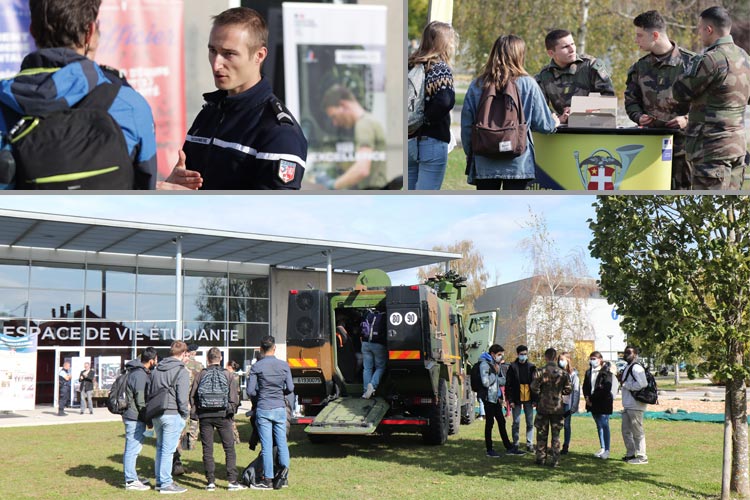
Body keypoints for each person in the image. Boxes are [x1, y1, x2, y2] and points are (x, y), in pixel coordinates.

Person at [0, 0, 157, 189]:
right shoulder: (131, 106)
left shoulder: (4, 102)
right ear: (90, 32)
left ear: (32, 30)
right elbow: (146, 190)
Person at [166, 7, 307, 190]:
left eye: (229, 54)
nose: (216, 64)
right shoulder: (210, 113)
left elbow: (273, 213)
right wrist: (172, 186)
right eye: (212, 50)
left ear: (259, 55)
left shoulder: (279, 132)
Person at [461, 35, 559, 190]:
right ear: (519, 55)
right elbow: (544, 125)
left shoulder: (477, 85)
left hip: (484, 161)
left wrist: (471, 152)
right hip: (517, 163)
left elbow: (467, 126)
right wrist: (555, 121)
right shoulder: (528, 84)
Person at [673, 6, 750, 190]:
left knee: (705, 207)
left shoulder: (711, 59)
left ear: (709, 29)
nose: (698, 33)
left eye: (699, 28)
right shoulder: (745, 57)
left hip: (711, 151)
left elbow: (680, 92)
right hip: (736, 147)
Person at [624, 10, 696, 190]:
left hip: (685, 149)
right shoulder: (639, 68)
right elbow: (631, 100)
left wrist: (686, 119)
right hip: (650, 148)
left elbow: (709, 103)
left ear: (655, 35)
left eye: (639, 35)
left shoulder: (693, 64)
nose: (636, 40)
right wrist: (638, 117)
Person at [407, 21, 457, 190]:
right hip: (432, 141)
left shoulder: (410, 65)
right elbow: (445, 100)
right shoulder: (440, 68)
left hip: (408, 141)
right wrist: (425, 120)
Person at [190, 347, 245, 491]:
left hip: (205, 416)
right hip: (223, 415)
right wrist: (230, 412)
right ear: (220, 359)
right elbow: (234, 397)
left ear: (207, 359)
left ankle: (210, 482)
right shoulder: (228, 374)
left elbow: (193, 395)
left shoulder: (201, 374)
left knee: (207, 449)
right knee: (229, 448)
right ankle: (232, 481)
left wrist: (196, 413)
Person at [535, 29, 615, 122]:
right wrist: (556, 118)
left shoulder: (592, 66)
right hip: (564, 130)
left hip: (594, 127)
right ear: (551, 53)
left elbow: (608, 99)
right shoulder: (544, 76)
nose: (572, 50)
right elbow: (539, 107)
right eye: (565, 47)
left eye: (572, 44)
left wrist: (579, 109)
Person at [246, 335, 294, 490]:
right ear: (275, 348)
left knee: (266, 446)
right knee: (282, 444)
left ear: (261, 349)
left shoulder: (257, 367)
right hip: (280, 407)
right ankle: (283, 477)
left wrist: (261, 394)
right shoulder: (283, 365)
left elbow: (250, 391)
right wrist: (281, 392)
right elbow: (290, 388)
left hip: (264, 408)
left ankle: (267, 480)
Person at [320, 85, 388, 190]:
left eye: (334, 116)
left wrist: (332, 185)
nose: (335, 123)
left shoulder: (364, 125)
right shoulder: (368, 121)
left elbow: (362, 169)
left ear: (343, 105)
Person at [149, 341, 190, 494]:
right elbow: (182, 398)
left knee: (160, 448)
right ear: (184, 353)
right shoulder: (182, 371)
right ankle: (166, 483)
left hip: (157, 412)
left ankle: (161, 481)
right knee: (168, 450)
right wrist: (185, 415)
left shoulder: (157, 369)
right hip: (172, 413)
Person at [478, 345, 523, 457]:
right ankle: (489, 449)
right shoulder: (484, 364)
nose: (501, 357)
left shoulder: (496, 364)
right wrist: (494, 374)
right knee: (490, 423)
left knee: (502, 422)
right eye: (499, 354)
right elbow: (486, 382)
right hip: (488, 398)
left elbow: (503, 380)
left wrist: (497, 375)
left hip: (496, 398)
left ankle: (508, 447)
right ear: (493, 354)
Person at [122, 347, 157, 491]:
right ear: (151, 361)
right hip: (135, 416)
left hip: (133, 415)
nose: (156, 362)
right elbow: (140, 400)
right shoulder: (140, 375)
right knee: (132, 448)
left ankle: (132, 476)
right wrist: (147, 419)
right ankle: (130, 480)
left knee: (134, 447)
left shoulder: (135, 371)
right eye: (156, 360)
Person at [530, 347, 572, 467]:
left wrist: (541, 394)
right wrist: (558, 393)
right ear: (555, 357)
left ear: (546, 357)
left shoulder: (540, 371)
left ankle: (541, 458)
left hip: (543, 407)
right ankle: (555, 460)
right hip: (557, 407)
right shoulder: (563, 373)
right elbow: (568, 389)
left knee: (541, 434)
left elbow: (533, 387)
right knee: (556, 435)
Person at [617, 345, 648, 464]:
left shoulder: (636, 368)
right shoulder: (628, 367)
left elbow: (643, 384)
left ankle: (642, 456)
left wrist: (626, 385)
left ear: (635, 354)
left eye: (628, 353)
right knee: (626, 431)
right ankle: (630, 453)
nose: (625, 355)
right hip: (628, 404)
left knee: (637, 431)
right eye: (625, 353)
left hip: (636, 405)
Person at [505, 344, 537, 452]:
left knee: (530, 422)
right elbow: (508, 384)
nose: (523, 356)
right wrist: (510, 400)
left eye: (525, 354)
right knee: (516, 422)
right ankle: (516, 443)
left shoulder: (532, 367)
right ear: (518, 354)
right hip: (516, 398)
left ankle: (530, 443)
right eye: (521, 354)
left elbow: (535, 384)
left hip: (529, 398)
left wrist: (535, 400)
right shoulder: (513, 367)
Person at [583, 351, 613, 460]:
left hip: (603, 402)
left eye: (594, 358)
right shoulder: (588, 372)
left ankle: (607, 450)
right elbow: (585, 386)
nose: (592, 361)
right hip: (591, 402)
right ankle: (602, 447)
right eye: (591, 358)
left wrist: (592, 398)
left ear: (600, 360)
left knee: (605, 425)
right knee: (598, 425)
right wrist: (587, 398)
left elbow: (605, 389)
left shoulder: (606, 372)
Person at [359, 309, 387, 399]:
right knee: (380, 367)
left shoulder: (367, 314)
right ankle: (372, 385)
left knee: (367, 368)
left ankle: (365, 391)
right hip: (378, 344)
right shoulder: (384, 316)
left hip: (365, 344)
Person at [558, 351, 580, 455]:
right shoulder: (557, 372)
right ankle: (555, 444)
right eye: (559, 360)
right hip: (558, 402)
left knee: (567, 425)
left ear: (568, 360)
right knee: (557, 424)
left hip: (567, 403)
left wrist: (574, 406)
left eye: (562, 360)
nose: (560, 362)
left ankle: (566, 445)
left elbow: (576, 390)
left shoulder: (573, 374)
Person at [226, 360, 242, 445]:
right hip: (236, 400)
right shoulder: (236, 376)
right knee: (231, 419)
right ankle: (234, 438)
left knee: (230, 420)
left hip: (231, 400)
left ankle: (235, 438)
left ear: (229, 367)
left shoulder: (230, 376)